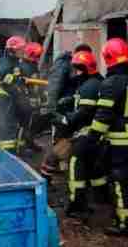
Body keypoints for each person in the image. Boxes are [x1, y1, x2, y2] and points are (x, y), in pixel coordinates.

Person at [86, 38, 128, 237]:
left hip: (120, 139)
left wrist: (92, 137)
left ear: (108, 58)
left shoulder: (112, 83)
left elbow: (103, 116)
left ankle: (125, 223)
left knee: (119, 178)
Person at [52, 50, 106, 219]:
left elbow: (83, 114)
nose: (74, 73)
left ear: (83, 69)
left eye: (76, 69)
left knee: (76, 167)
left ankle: (77, 205)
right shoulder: (97, 81)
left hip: (86, 135)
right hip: (98, 135)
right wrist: (69, 101)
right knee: (95, 167)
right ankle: (101, 197)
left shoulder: (89, 86)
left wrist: (62, 118)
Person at [40, 43, 93, 177]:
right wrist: (52, 110)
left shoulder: (73, 65)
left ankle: (58, 169)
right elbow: (54, 87)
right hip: (62, 110)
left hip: (70, 109)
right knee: (61, 142)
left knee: (67, 140)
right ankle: (46, 175)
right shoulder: (64, 64)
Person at [0, 36, 26, 153]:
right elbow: (1, 75)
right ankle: (8, 152)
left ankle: (7, 150)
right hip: (3, 96)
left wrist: (20, 79)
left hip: (8, 95)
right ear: (12, 50)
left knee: (9, 122)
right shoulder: (6, 61)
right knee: (7, 123)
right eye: (20, 49)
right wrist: (16, 80)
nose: (23, 51)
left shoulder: (13, 61)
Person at [16, 42, 45, 153]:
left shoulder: (29, 65)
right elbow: (30, 86)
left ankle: (28, 143)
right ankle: (21, 147)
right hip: (27, 101)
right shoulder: (26, 67)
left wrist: (42, 96)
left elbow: (36, 85)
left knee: (30, 125)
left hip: (31, 101)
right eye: (36, 56)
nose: (37, 58)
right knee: (25, 125)